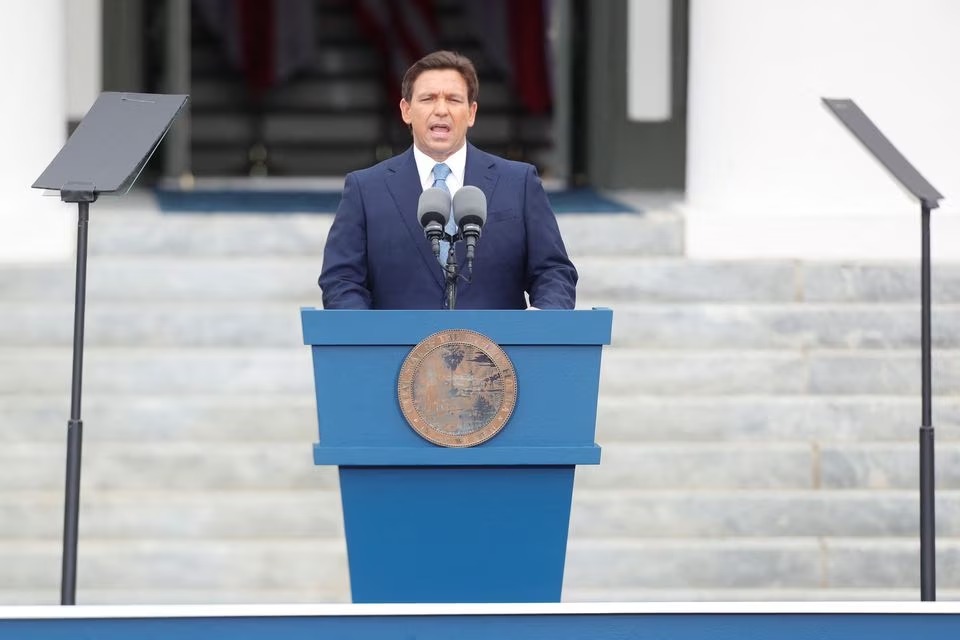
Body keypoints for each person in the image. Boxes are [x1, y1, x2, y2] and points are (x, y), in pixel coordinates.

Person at [319, 50, 577, 310]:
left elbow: (553, 272)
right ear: (406, 110)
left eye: (453, 99)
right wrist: (364, 330)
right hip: (400, 338)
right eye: (428, 99)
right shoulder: (365, 189)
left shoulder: (519, 183)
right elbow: (342, 280)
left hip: (494, 338)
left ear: (471, 112)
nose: (441, 110)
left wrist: (542, 322)